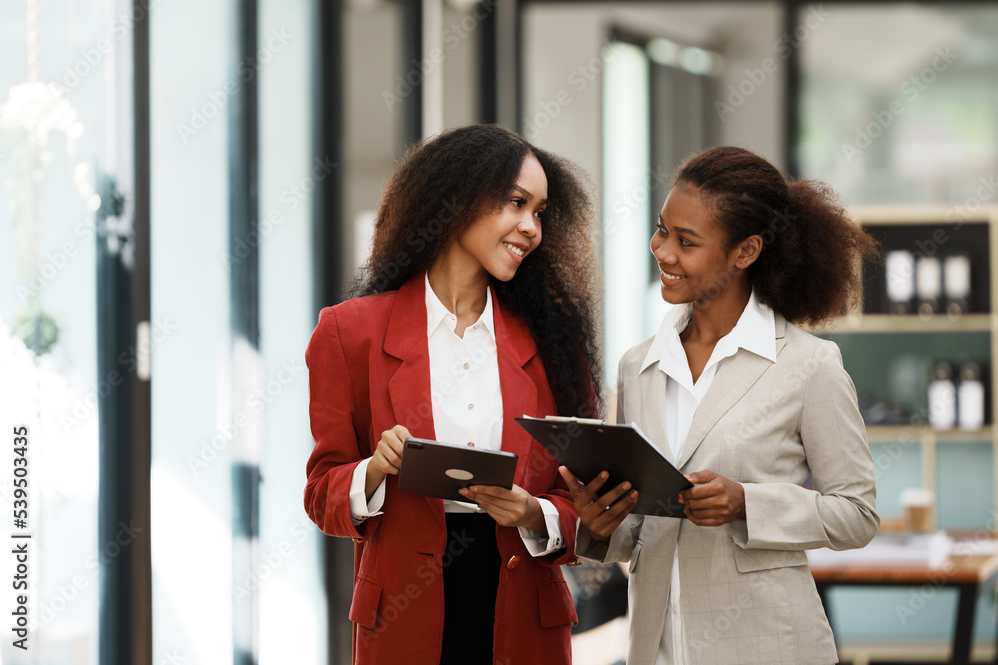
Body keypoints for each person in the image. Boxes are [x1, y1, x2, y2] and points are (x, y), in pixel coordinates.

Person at [560, 146, 879, 665]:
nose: (662, 251)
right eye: (663, 230)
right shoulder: (638, 366)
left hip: (768, 646)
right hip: (656, 647)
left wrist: (746, 504)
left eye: (687, 242)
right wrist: (599, 523)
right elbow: (635, 536)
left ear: (746, 251)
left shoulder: (809, 365)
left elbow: (857, 514)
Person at [304, 124, 601, 665]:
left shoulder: (554, 340)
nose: (531, 227)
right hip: (404, 615)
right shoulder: (350, 333)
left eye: (539, 212)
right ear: (458, 199)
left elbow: (591, 499)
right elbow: (322, 493)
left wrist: (534, 513)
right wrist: (373, 469)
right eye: (516, 203)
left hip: (522, 609)